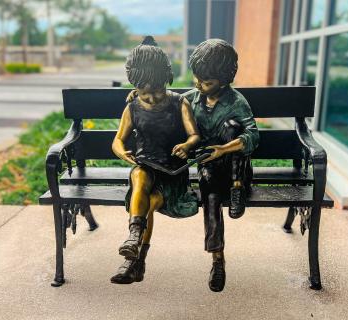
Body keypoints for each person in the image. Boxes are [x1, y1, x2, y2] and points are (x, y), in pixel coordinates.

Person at [111, 36, 200, 284]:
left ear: (167, 81)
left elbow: (194, 135)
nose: (151, 98)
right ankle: (134, 236)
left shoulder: (179, 103)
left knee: (150, 201)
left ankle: (134, 261)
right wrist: (122, 152)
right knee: (139, 175)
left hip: (172, 173)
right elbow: (118, 140)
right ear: (135, 87)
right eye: (145, 93)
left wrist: (187, 144)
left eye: (158, 92)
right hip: (146, 167)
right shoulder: (132, 108)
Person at [186, 39, 259, 292]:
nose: (199, 85)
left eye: (206, 82)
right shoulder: (191, 99)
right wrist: (136, 94)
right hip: (210, 169)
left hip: (236, 168)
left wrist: (224, 149)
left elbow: (253, 135)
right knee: (211, 193)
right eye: (197, 79)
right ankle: (218, 259)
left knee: (233, 128)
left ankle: (237, 188)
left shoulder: (236, 101)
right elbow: (165, 102)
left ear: (224, 80)